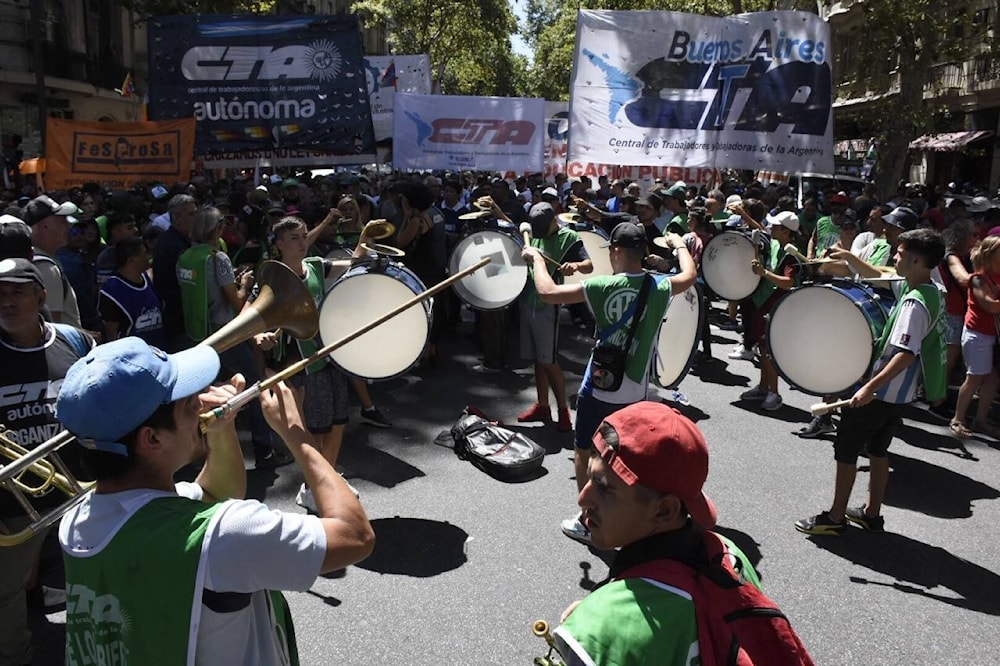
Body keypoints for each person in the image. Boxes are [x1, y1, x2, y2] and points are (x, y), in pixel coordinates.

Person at [56, 337, 375, 664]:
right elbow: (355, 535)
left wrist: (221, 430)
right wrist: (299, 436)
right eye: (186, 402)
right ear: (152, 439)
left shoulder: (79, 520)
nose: (200, 402)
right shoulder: (223, 536)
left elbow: (215, 494)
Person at [551, 401, 813, 665]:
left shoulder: (600, 632)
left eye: (604, 488)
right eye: (588, 478)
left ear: (665, 510)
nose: (583, 499)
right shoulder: (728, 553)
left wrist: (594, 624)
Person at [522, 222, 697, 543]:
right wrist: (679, 246)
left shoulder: (601, 285)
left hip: (601, 385)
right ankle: (629, 520)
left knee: (585, 449)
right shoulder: (659, 286)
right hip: (637, 390)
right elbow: (689, 276)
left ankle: (589, 520)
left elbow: (547, 293)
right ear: (643, 251)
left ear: (616, 251)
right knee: (626, 455)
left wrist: (536, 259)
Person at [795, 228, 947, 535]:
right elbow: (878, 274)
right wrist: (850, 258)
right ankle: (871, 513)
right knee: (879, 450)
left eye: (900, 254)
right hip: (900, 395)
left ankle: (835, 518)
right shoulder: (930, 290)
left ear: (916, 259)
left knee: (846, 450)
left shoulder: (913, 303)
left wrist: (868, 387)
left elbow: (904, 353)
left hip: (881, 393)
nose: (895, 257)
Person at [0, 258, 94, 666]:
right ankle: (15, 657)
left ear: (40, 297)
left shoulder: (74, 342)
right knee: (5, 590)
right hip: (14, 499)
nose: (6, 302)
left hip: (82, 488)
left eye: (16, 292)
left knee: (99, 574)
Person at [517, 202, 593, 431]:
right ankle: (542, 406)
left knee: (548, 360)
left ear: (554, 220)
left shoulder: (568, 237)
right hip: (527, 300)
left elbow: (589, 265)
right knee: (537, 360)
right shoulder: (534, 233)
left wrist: (575, 265)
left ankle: (563, 410)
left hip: (548, 304)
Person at [949, 236, 1000, 438]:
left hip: (991, 335)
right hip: (977, 335)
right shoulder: (979, 279)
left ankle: (980, 420)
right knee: (974, 378)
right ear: (990, 254)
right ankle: (958, 420)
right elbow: (990, 305)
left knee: (992, 380)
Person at [23, 194, 82, 326]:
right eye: (61, 222)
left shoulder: (31, 261)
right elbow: (52, 329)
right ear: (44, 226)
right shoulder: (46, 269)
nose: (67, 227)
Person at [98, 236, 165, 346]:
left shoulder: (147, 280)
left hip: (157, 353)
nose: (149, 257)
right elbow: (111, 335)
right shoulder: (113, 291)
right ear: (131, 260)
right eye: (144, 254)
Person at [152, 194, 197, 350]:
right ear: (177, 217)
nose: (196, 217)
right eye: (191, 214)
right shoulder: (170, 245)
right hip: (178, 319)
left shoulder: (189, 241)